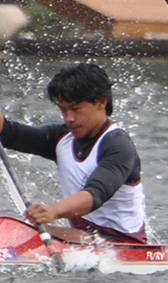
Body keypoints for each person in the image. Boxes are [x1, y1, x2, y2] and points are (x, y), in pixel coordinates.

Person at [0, 64, 149, 244]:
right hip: (84, 241)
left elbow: (95, 195)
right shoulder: (62, 138)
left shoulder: (119, 146)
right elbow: (10, 133)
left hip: (124, 246)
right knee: (23, 231)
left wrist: (53, 211)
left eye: (76, 109)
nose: (69, 118)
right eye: (63, 110)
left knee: (29, 234)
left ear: (101, 102)